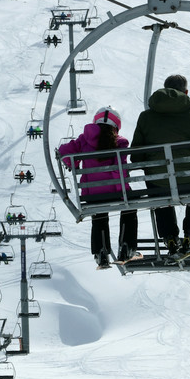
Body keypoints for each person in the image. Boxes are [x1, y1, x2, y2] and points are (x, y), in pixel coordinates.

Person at [131, 75, 190, 255]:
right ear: (185, 93)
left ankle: (169, 236)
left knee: (156, 182)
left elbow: (136, 156)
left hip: (160, 185)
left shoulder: (146, 117)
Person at [59, 106, 138, 267]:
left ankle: (101, 252)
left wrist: (71, 162)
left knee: (99, 214)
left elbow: (64, 152)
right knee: (130, 207)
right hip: (117, 192)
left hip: (91, 194)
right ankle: (126, 246)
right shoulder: (120, 142)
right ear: (116, 126)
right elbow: (119, 169)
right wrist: (122, 190)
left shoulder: (84, 139)